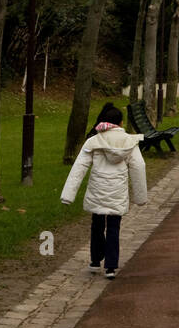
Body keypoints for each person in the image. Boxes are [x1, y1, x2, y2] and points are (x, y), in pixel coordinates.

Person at [60, 103, 147, 278]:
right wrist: (140, 197)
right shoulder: (130, 142)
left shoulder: (93, 141)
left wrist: (68, 195)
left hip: (97, 190)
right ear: (121, 123)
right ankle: (111, 266)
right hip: (117, 191)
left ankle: (94, 261)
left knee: (97, 225)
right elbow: (138, 166)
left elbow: (79, 168)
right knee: (114, 227)